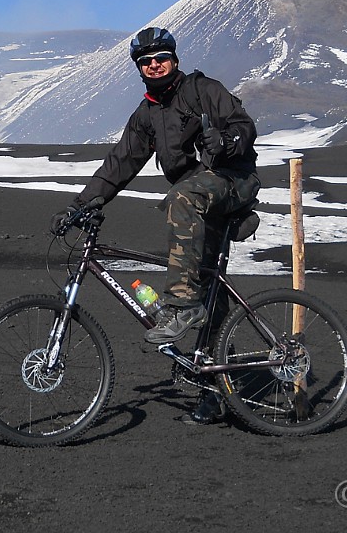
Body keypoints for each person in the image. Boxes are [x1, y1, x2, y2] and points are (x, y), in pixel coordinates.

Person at [56, 27, 260, 423]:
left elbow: (245, 127)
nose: (154, 65)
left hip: (233, 181)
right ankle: (213, 390)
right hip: (200, 196)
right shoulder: (147, 114)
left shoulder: (203, 90)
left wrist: (227, 141)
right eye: (145, 62)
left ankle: (180, 305)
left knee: (180, 198)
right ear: (139, 68)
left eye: (160, 58)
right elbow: (120, 163)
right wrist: (78, 206)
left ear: (175, 59)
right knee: (208, 287)